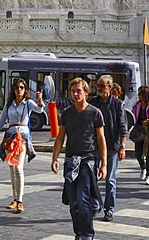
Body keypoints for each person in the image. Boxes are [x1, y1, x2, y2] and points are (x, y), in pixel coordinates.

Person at [51, 77, 106, 240]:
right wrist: (55, 158)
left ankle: (87, 233)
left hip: (87, 160)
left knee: (82, 199)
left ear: (86, 93)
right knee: (73, 202)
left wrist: (104, 164)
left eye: (79, 91)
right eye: (73, 91)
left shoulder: (95, 113)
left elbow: (101, 139)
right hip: (70, 161)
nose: (75, 94)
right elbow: (60, 138)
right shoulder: (67, 113)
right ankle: (79, 232)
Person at [0, 79, 44, 213]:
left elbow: (39, 110)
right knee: (12, 168)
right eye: (17, 87)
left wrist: (40, 100)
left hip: (22, 137)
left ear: (25, 90)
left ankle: (20, 200)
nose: (19, 90)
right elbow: (1, 122)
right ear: (14, 90)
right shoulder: (9, 104)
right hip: (10, 137)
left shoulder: (28, 103)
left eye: (22, 87)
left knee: (18, 167)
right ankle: (15, 199)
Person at [86, 74, 126, 221]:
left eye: (103, 86)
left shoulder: (117, 104)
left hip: (112, 146)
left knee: (110, 179)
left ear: (110, 87)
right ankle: (95, 204)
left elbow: (122, 126)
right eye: (98, 86)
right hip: (94, 146)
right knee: (93, 178)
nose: (100, 89)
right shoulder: (92, 102)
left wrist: (122, 146)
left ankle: (109, 209)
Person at [131, 85, 149, 186]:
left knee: (148, 153)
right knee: (138, 153)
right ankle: (143, 167)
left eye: (140, 94)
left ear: (146, 95)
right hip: (139, 131)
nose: (138, 95)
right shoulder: (137, 105)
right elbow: (133, 116)